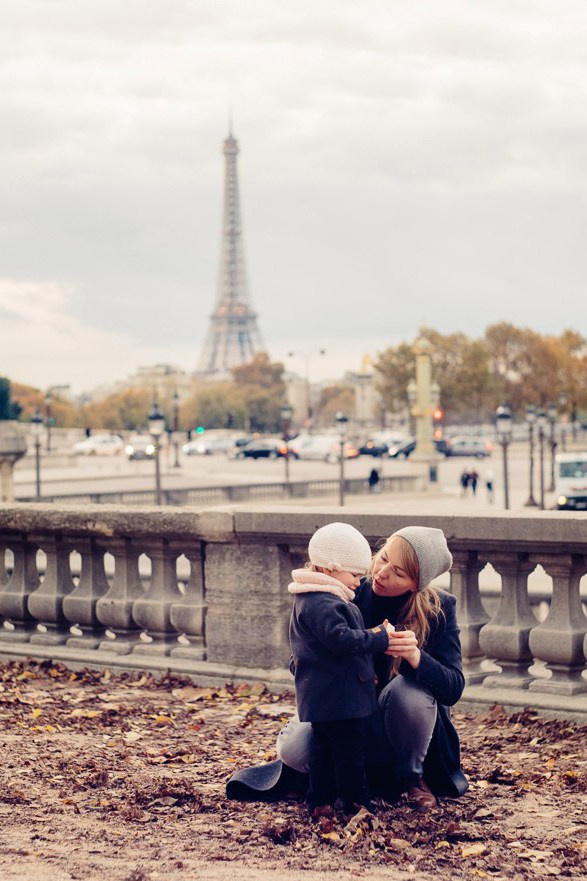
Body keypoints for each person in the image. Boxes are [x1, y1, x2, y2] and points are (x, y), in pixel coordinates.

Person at [227, 525, 468, 812]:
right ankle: (345, 778)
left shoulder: (439, 608)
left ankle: (410, 777)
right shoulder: (344, 592)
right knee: (294, 748)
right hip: (342, 710)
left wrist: (415, 657)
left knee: (410, 691)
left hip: (399, 727)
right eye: (383, 558)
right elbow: (299, 662)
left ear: (416, 584)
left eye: (399, 573)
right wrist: (342, 654)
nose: (380, 572)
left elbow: (453, 687)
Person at [288, 522, 392, 814]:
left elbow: (335, 639)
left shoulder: (314, 598)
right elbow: (341, 639)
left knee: (324, 751)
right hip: (339, 699)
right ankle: (356, 803)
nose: (360, 582)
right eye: (355, 574)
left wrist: (371, 632)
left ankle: (319, 801)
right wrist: (378, 639)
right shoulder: (323, 602)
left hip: (326, 697)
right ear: (330, 568)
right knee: (349, 754)